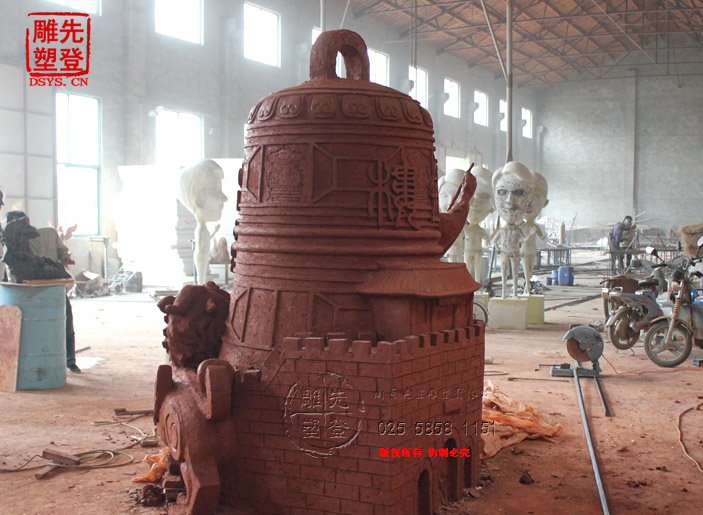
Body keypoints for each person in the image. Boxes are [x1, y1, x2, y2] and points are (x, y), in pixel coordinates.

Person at [4, 211, 80, 373]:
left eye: (19, 223)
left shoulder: (48, 234)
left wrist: (64, 258)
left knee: (66, 323)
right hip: (29, 291)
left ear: (27, 221)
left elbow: (61, 250)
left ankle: (70, 361)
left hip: (54, 287)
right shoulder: (14, 244)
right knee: (34, 329)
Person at [178, 160, 228, 285]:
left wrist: (215, 231)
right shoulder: (200, 230)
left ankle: (201, 283)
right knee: (201, 274)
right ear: (198, 200)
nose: (225, 198)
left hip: (203, 255)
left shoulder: (202, 229)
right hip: (201, 256)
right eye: (217, 191)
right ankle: (201, 284)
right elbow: (201, 247)